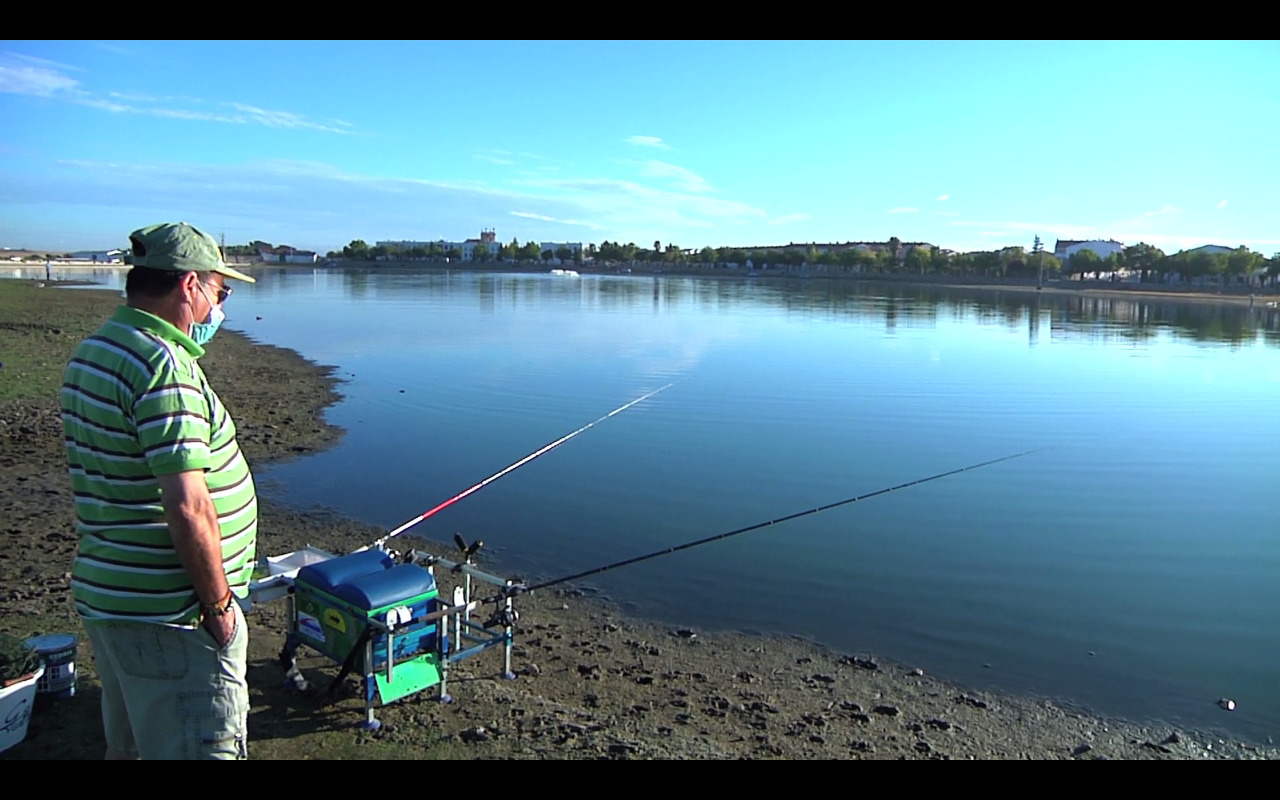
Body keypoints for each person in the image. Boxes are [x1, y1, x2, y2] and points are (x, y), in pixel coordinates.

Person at [60, 222, 258, 760]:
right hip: (174, 615)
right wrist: (218, 606)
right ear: (189, 286)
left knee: (133, 746)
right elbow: (189, 506)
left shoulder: (96, 350)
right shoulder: (162, 367)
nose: (221, 307)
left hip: (116, 601)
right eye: (221, 291)